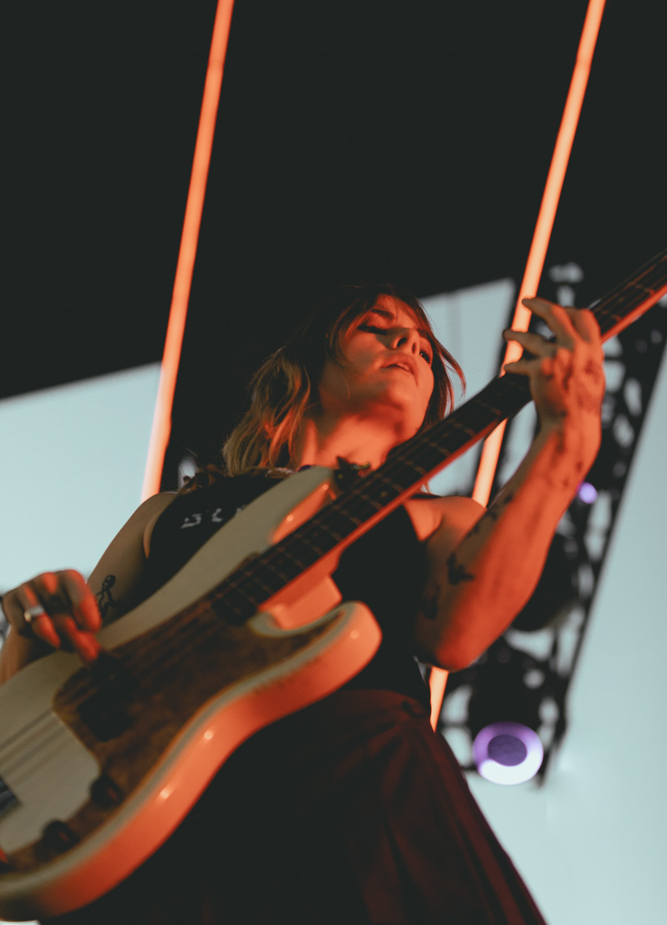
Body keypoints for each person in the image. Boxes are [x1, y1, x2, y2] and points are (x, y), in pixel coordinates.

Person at [0, 283, 604, 924]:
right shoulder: (167, 515)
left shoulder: (437, 517)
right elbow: (70, 682)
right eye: (377, 327)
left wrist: (565, 442)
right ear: (306, 362)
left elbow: (457, 634)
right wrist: (32, 631)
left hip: (358, 781)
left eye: (425, 349)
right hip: (157, 806)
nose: (409, 343)